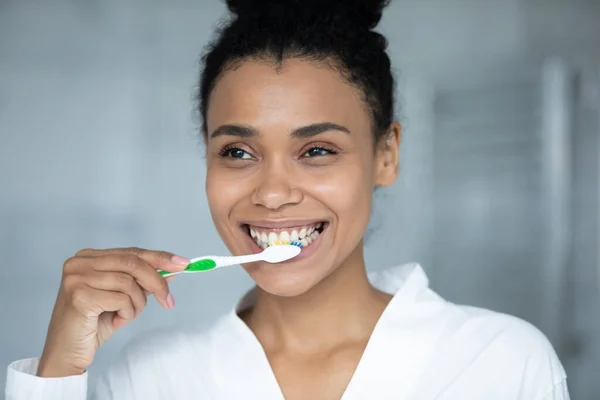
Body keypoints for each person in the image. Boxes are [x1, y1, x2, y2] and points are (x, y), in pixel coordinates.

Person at [6, 0, 570, 399]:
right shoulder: (145, 380)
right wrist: (58, 371)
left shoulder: (501, 363)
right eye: (238, 153)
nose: (273, 194)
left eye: (318, 150)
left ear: (386, 155)